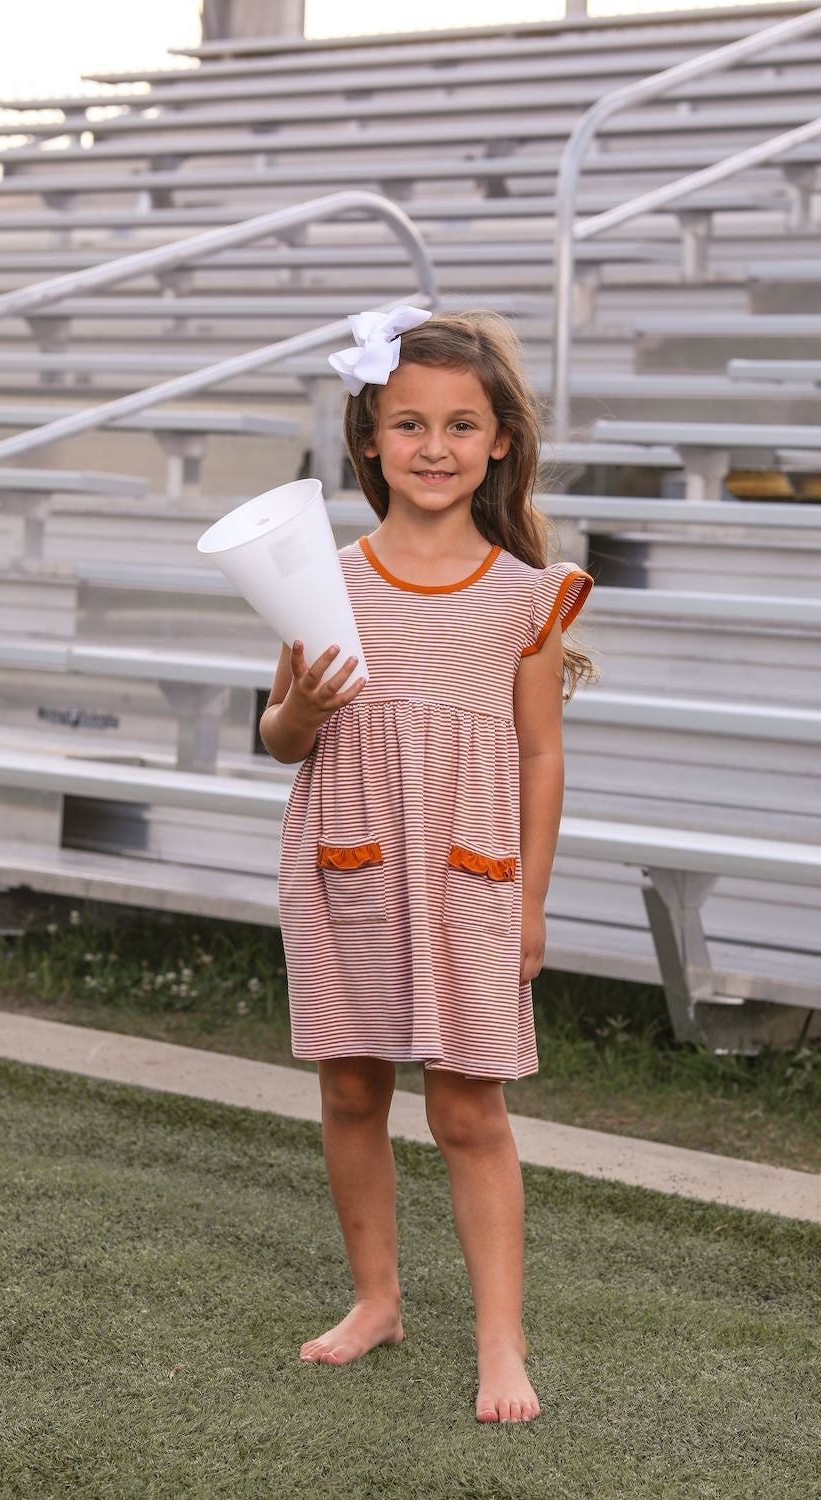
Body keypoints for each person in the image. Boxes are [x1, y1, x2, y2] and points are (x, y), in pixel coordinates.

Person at [260, 306, 597, 1424]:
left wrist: (533, 900)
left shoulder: (526, 598)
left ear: (500, 439)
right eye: (409, 423)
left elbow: (540, 754)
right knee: (352, 1087)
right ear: (368, 438)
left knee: (468, 1111)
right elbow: (279, 737)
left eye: (461, 423)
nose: (435, 446)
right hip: (344, 865)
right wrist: (299, 711)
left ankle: (502, 1344)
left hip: (471, 879)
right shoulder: (322, 579)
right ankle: (377, 1301)